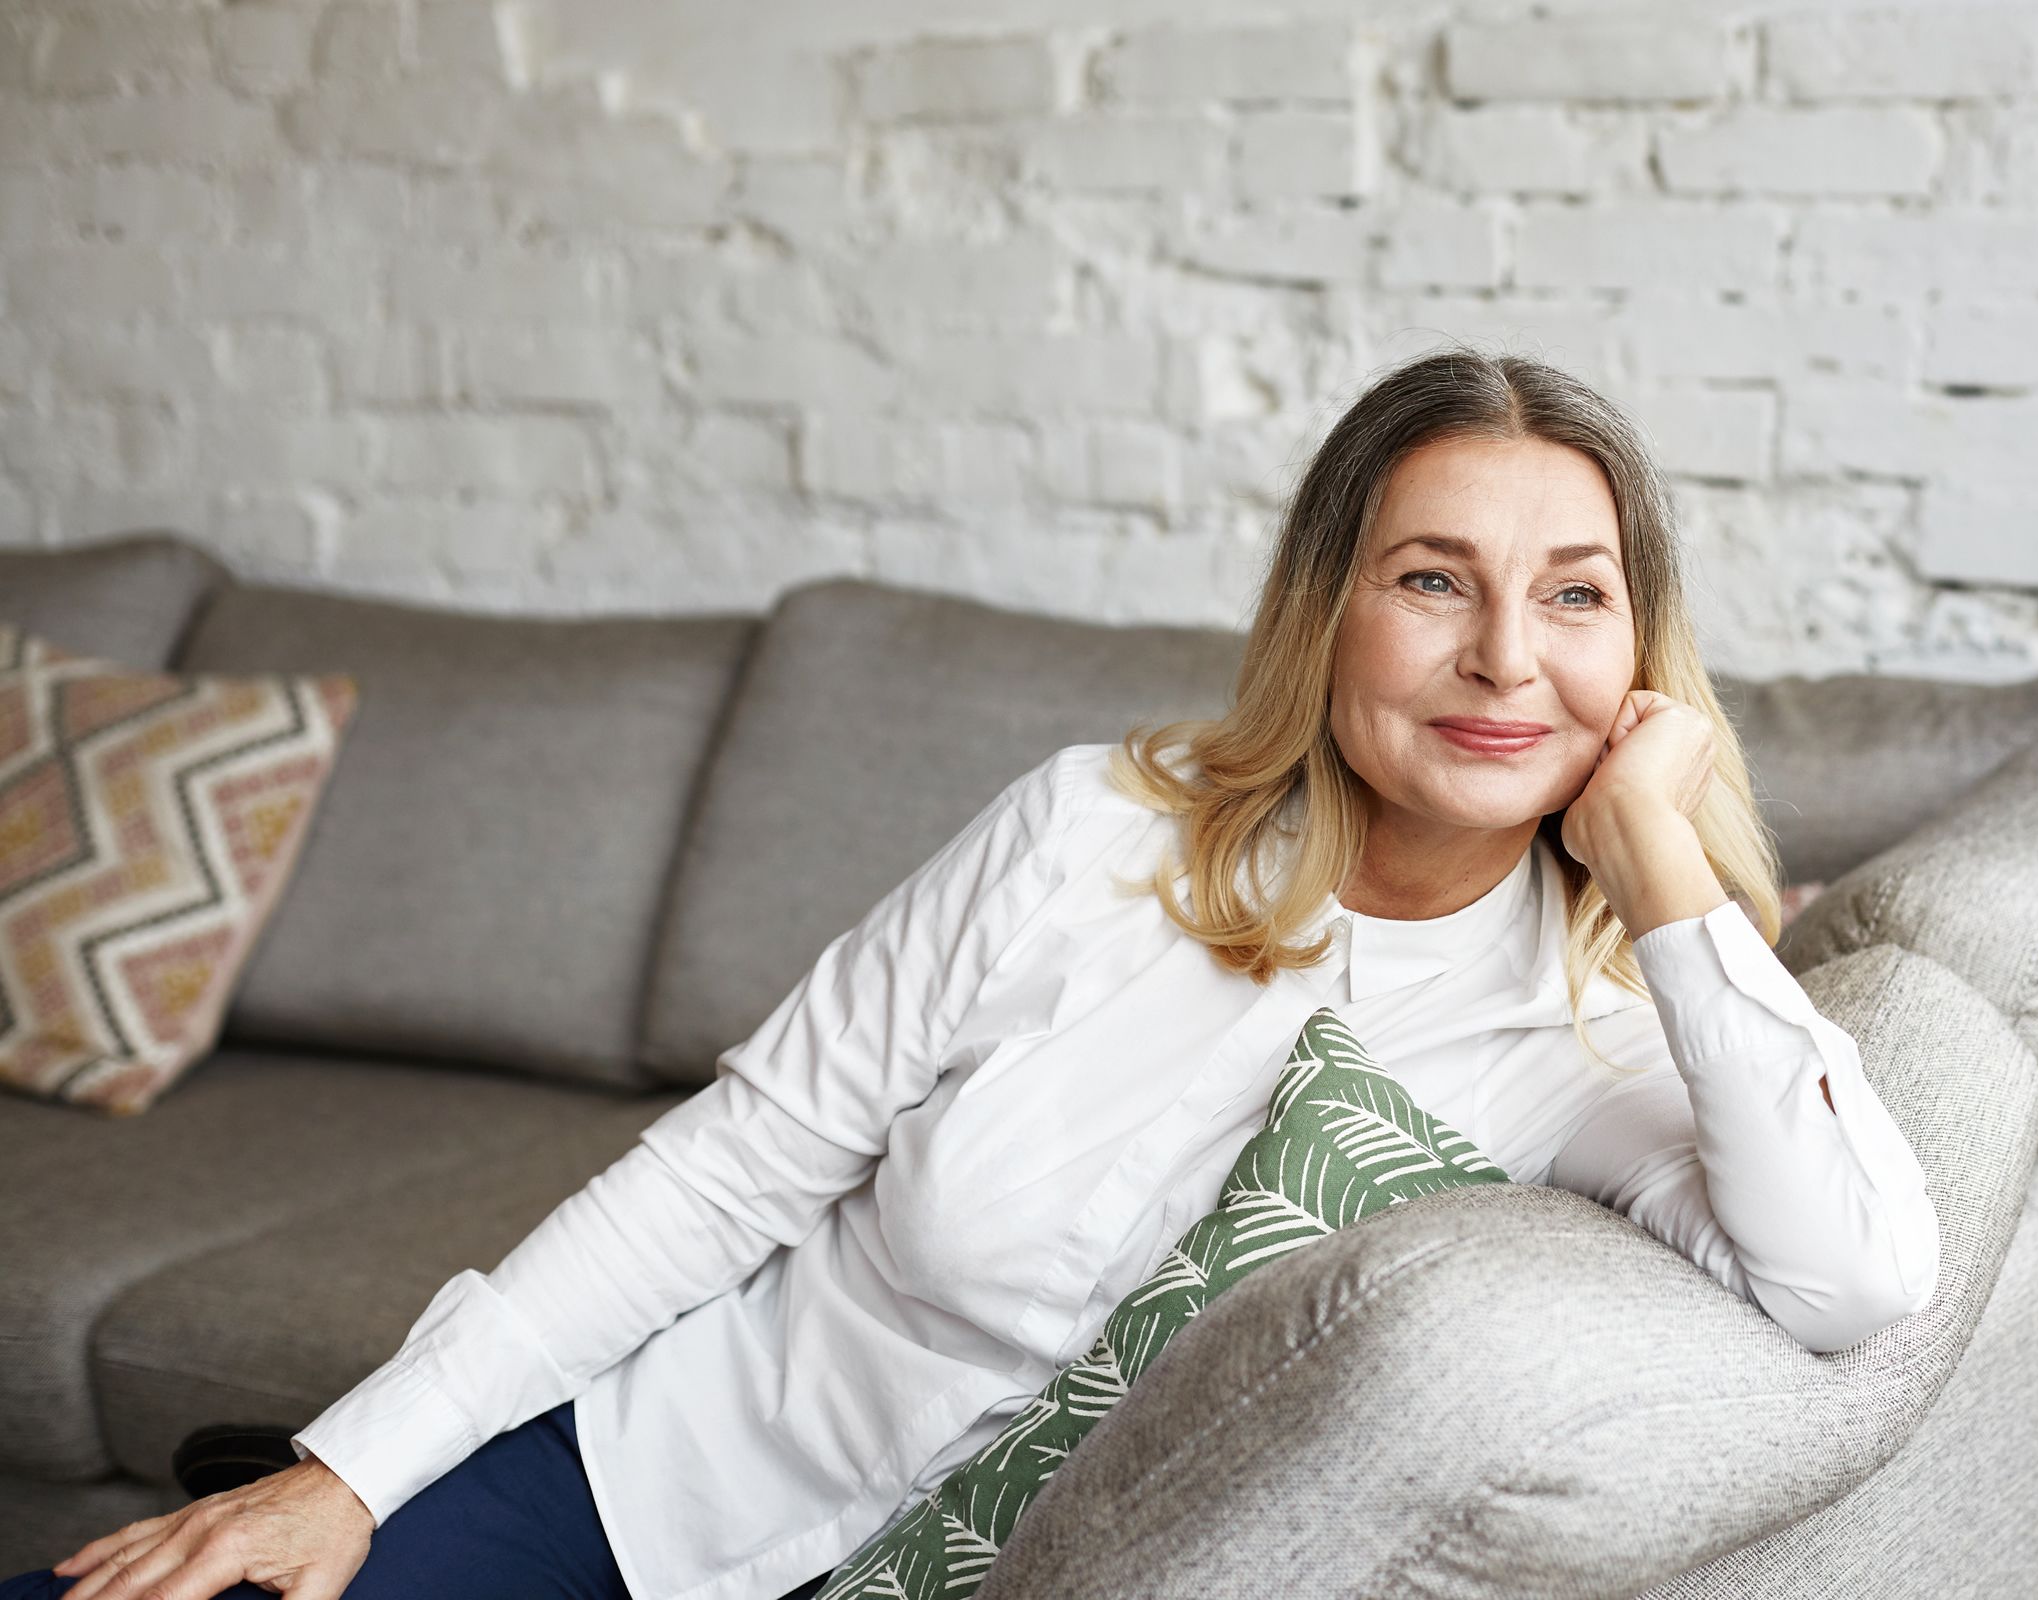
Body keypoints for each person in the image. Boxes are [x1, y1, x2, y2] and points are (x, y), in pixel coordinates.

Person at [14, 347, 1940, 1600]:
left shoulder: (1605, 1030)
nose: (1505, 658)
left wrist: (1670, 862)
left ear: (1640, 654)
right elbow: (733, 1168)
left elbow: (1855, 1283)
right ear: (1328, 612)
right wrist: (348, 1476)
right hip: (645, 1496)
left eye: (1575, 593)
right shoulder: (1092, 829)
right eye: (1433, 577)